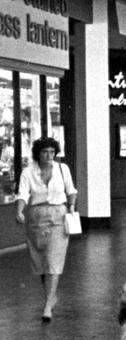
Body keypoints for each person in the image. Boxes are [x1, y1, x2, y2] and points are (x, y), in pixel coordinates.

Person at [15, 136, 78, 322]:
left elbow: (71, 190)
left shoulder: (62, 168)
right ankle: (51, 297)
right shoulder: (28, 172)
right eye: (45, 152)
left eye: (52, 152)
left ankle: (48, 305)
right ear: (38, 153)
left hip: (58, 216)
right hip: (35, 217)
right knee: (41, 262)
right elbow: (23, 193)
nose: (49, 155)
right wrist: (19, 211)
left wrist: (72, 207)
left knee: (53, 260)